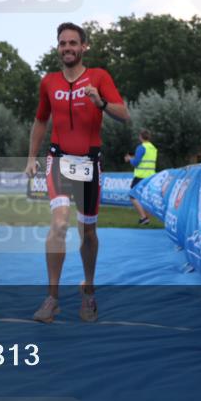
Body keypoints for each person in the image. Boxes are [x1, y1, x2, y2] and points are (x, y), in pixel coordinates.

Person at [24, 22, 129, 323]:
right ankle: (52, 299)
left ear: (84, 47)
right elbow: (40, 122)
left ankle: (89, 292)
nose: (67, 48)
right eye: (62, 43)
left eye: (73, 43)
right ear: (57, 47)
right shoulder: (49, 82)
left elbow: (125, 115)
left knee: (88, 232)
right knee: (58, 225)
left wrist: (102, 103)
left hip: (89, 164)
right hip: (57, 160)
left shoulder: (99, 77)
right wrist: (31, 157)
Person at [125, 130, 158, 225]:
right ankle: (146, 218)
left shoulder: (141, 147)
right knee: (145, 198)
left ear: (140, 137)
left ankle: (143, 218)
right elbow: (145, 159)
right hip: (151, 175)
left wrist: (130, 159)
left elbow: (136, 163)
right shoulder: (153, 148)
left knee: (132, 196)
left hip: (141, 175)